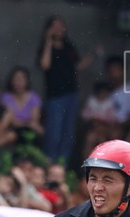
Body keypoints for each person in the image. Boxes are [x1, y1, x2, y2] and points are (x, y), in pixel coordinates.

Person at [37, 15, 101, 165]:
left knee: (68, 134)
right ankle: (48, 165)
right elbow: (44, 65)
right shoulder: (45, 47)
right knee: (54, 133)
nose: (59, 29)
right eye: (55, 26)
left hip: (71, 95)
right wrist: (48, 41)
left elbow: (78, 66)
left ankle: (61, 167)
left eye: (61, 26)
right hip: (55, 97)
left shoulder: (68, 46)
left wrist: (94, 54)